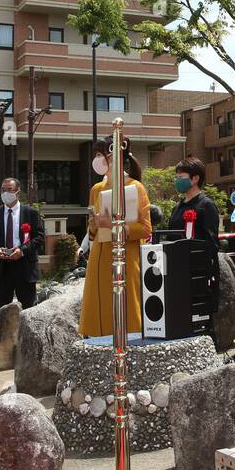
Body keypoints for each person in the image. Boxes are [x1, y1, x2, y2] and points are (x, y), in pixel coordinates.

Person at [80, 138, 152, 338]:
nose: (96, 159)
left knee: (127, 307)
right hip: (99, 257)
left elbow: (145, 229)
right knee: (99, 309)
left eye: (99, 154)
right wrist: (94, 225)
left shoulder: (136, 187)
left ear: (112, 156)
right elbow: (92, 231)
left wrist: (113, 224)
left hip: (126, 258)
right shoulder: (96, 189)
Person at [0, 178, 43, 311]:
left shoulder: (31, 213)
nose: (5, 193)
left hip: (25, 267)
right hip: (2, 268)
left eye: (9, 190)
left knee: (28, 311)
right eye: (3, 190)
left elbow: (39, 238)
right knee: (0, 313)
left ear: (18, 193)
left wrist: (22, 250)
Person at [167, 157, 220, 251]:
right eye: (177, 177)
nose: (177, 181)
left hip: (198, 263)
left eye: (181, 177)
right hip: (176, 262)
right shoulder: (177, 208)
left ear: (195, 179)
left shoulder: (206, 205)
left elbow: (211, 243)